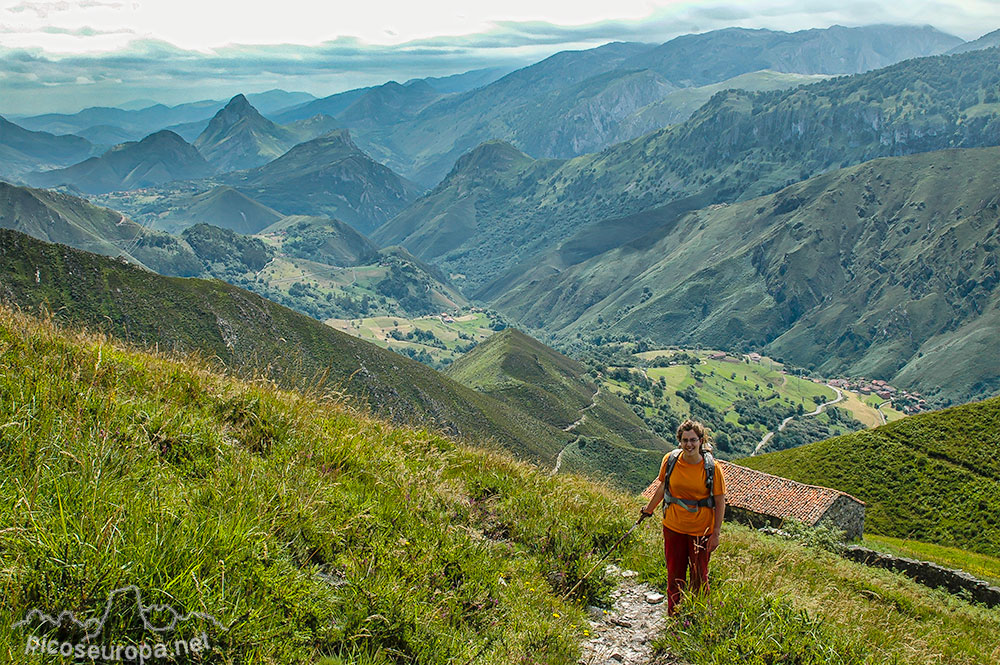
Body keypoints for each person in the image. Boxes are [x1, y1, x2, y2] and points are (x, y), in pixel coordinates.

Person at [640, 419, 727, 615]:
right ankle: (675, 616)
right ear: (679, 441)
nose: (689, 445)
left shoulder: (713, 468)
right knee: (674, 576)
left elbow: (720, 501)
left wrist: (716, 533)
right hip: (673, 528)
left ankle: (696, 618)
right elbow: (663, 487)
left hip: (701, 531)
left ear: (701, 441)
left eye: (693, 440)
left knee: (699, 578)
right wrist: (649, 509)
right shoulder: (670, 461)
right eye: (685, 440)